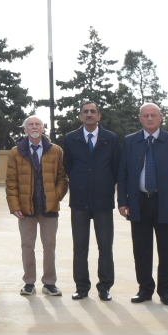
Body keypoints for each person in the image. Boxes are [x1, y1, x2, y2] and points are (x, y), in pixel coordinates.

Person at [118, 103, 168, 304]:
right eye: (146, 115)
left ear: (161, 117)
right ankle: (145, 289)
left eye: (154, 115)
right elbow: (122, 174)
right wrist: (123, 201)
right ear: (140, 118)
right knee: (141, 250)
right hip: (138, 203)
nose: (150, 119)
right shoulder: (131, 141)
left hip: (165, 203)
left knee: (167, 250)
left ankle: (166, 291)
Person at [61, 100, 122, 301]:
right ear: (80, 116)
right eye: (85, 112)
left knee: (105, 246)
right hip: (79, 202)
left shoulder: (111, 139)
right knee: (80, 246)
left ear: (99, 116)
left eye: (93, 112)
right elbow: (68, 167)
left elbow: (116, 169)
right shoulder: (71, 139)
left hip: (103, 202)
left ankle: (104, 287)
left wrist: (103, 184)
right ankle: (81, 287)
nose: (89, 114)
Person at [6, 115, 67, 295]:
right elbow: (11, 181)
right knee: (27, 245)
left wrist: (56, 196)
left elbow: (62, 178)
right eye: (30, 125)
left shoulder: (56, 151)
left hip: (49, 207)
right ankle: (29, 282)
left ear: (43, 129)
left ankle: (49, 283)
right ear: (25, 129)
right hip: (26, 208)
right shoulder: (16, 152)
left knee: (49, 245)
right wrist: (14, 205)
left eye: (37, 124)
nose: (34, 127)